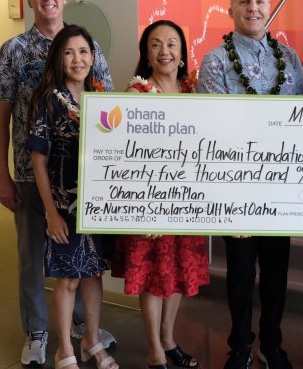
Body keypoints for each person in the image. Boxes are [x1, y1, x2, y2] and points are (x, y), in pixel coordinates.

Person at [0, 0, 115, 365]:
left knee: (78, 255)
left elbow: (110, 107)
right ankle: (37, 332)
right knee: (32, 254)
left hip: (81, 180)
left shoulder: (87, 47)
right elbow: (1, 118)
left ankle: (80, 327)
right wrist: (1, 175)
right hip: (29, 173)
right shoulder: (14, 51)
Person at [197, 0, 303, 369]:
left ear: (268, 6)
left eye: (260, 1)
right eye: (244, 2)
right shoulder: (214, 62)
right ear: (231, 10)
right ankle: (240, 345)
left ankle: (271, 343)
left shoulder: (290, 60)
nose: (253, 8)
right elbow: (214, 126)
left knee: (276, 272)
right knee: (241, 272)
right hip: (236, 188)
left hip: (280, 188)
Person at [111, 19, 209, 369]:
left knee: (181, 269)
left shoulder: (195, 90)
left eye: (171, 43)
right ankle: (154, 348)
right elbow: (125, 151)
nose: (164, 51)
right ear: (146, 53)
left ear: (182, 51)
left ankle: (169, 338)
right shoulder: (135, 94)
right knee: (153, 275)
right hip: (149, 200)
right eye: (155, 44)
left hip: (187, 200)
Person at [26, 24, 117, 369]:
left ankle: (92, 340)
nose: (77, 59)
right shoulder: (47, 100)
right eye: (68, 52)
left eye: (83, 52)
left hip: (98, 206)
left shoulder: (103, 99)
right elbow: (38, 160)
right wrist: (51, 212)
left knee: (94, 273)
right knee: (68, 278)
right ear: (58, 59)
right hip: (65, 208)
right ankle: (65, 347)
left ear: (93, 57)